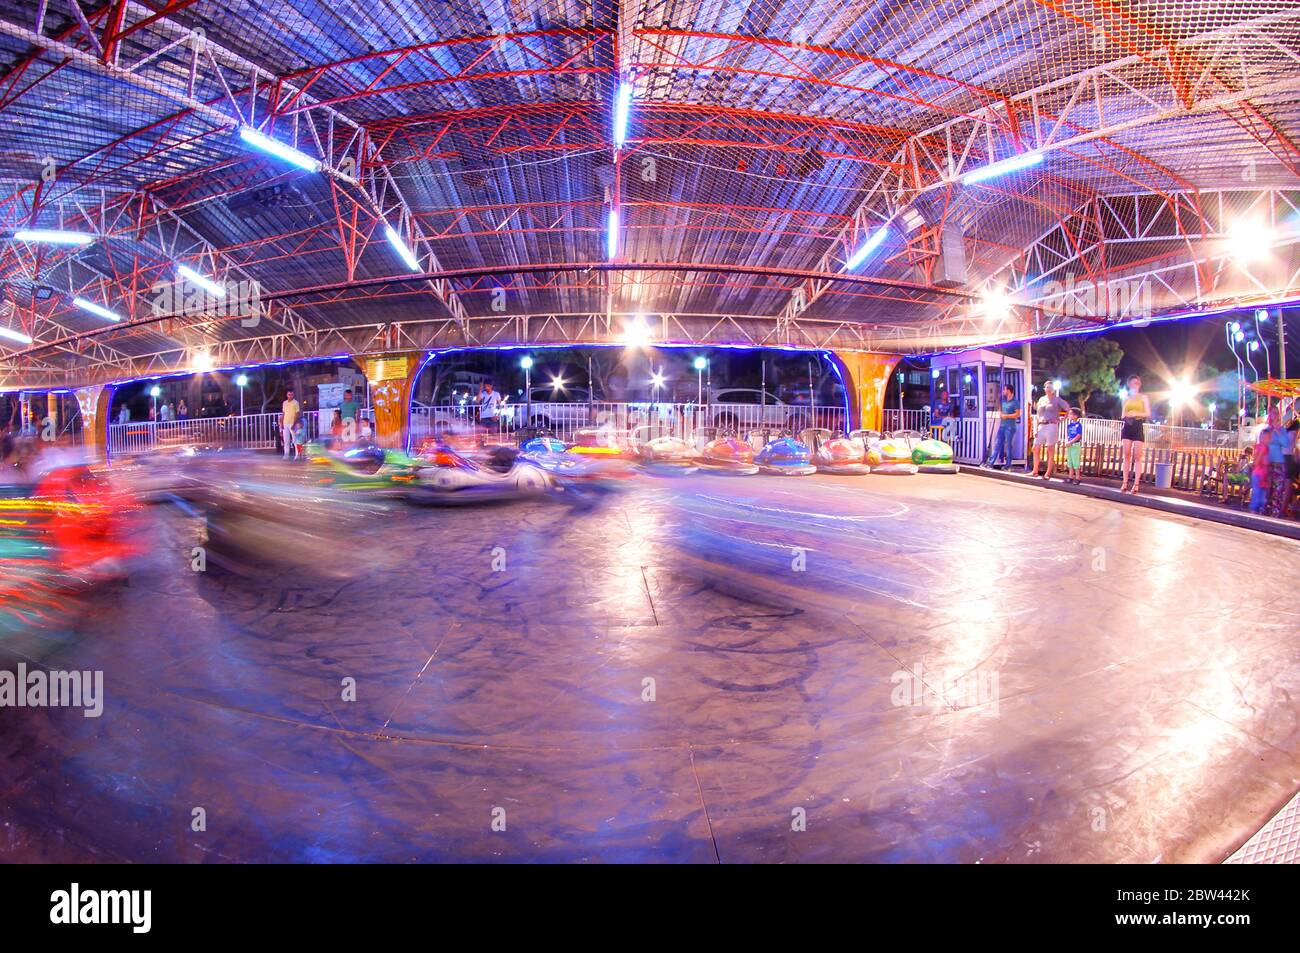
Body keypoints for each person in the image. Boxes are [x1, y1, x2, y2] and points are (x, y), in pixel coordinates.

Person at [1029, 380, 1070, 479]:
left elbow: (1068, 408)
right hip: (1041, 425)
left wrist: (1062, 419)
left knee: (1050, 449)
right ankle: (1035, 471)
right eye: (1047, 387)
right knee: (1035, 448)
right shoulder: (1042, 399)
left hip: (1051, 425)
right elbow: (1038, 414)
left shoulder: (1057, 399)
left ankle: (1048, 473)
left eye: (1050, 388)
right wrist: (1035, 428)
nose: (1048, 389)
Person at [1260, 405, 1295, 518]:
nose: (1275, 415)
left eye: (1277, 412)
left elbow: (1285, 443)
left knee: (1278, 490)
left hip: (1279, 463)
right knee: (1266, 489)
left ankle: (1275, 514)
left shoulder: (1282, 430)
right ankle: (1262, 512)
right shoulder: (1265, 430)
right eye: (1273, 412)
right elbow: (1263, 443)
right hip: (1268, 463)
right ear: (1269, 414)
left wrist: (1278, 430)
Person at [1118, 374, 1151, 495]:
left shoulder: (1143, 397)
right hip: (1128, 425)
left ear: (1139, 384)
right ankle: (1125, 482)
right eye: (1132, 383)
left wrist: (1136, 413)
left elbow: (1147, 413)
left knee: (1138, 456)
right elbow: (1122, 414)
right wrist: (1127, 415)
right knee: (1126, 455)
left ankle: (1136, 484)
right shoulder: (1126, 398)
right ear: (1129, 385)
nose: (1134, 385)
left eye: (1136, 383)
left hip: (1138, 425)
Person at [989, 384, 1019, 469]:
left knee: (1008, 445)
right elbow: (999, 408)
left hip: (1010, 426)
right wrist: (1000, 412)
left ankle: (1008, 464)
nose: (1003, 391)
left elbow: (1017, 414)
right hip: (1002, 426)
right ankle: (991, 462)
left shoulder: (1015, 402)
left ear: (1009, 391)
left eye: (1004, 390)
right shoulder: (1003, 401)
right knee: (997, 444)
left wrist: (1007, 416)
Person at [1249, 431, 1270, 514]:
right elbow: (1256, 463)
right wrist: (1262, 452)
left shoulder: (1268, 449)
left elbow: (1268, 462)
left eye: (1267, 438)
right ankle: (1254, 511)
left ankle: (1261, 511)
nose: (1265, 440)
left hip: (1265, 475)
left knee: (1263, 495)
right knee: (1257, 494)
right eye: (1263, 438)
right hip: (1258, 474)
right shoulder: (1259, 448)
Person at [1063, 407, 1084, 484]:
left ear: (1076, 416)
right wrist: (1067, 441)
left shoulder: (1078, 425)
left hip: (1075, 444)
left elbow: (1079, 435)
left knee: (1076, 461)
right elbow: (1068, 434)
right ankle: (1070, 477)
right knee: (1070, 461)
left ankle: (1078, 478)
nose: (1069, 415)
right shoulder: (1069, 425)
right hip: (1069, 444)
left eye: (1071, 414)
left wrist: (1071, 442)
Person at [281, 388, 300, 460]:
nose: (290, 396)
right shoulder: (284, 403)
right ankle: (286, 455)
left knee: (295, 440)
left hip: (292, 423)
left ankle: (297, 455)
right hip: (285, 423)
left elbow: (297, 413)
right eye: (289, 394)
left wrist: (294, 423)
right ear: (287, 395)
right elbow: (283, 413)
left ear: (293, 395)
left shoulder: (296, 403)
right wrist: (282, 423)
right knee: (286, 440)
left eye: (291, 394)